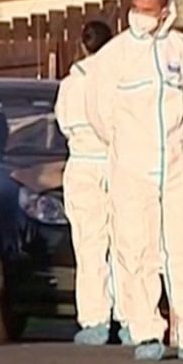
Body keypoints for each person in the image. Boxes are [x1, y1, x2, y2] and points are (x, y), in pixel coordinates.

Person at [85, 0, 183, 363]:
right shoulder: (113, 57)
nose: (141, 16)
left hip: (178, 162)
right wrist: (128, 147)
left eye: (149, 10)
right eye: (136, 8)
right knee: (136, 248)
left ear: (165, 9)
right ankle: (147, 330)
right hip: (131, 165)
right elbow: (99, 113)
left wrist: (177, 140)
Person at [55, 20, 131, 345]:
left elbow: (63, 124)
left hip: (82, 163)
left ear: (83, 46)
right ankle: (130, 319)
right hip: (116, 161)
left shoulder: (70, 85)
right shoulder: (118, 79)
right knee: (126, 244)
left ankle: (94, 320)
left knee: (89, 245)